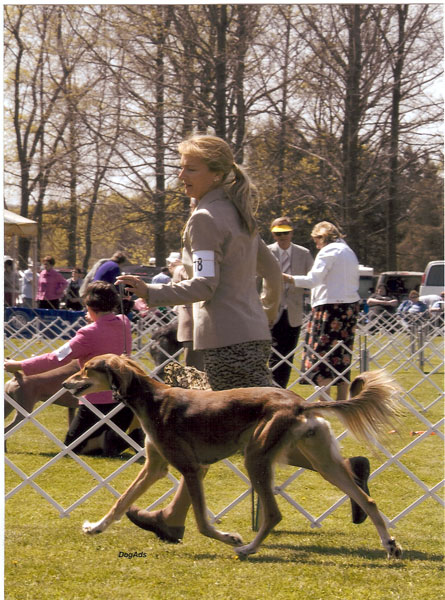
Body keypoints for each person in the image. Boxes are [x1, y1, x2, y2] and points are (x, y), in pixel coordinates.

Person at [116, 135, 370, 541]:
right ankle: (173, 518)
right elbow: (271, 273)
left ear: (217, 173)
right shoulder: (239, 212)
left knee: (235, 432)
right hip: (247, 334)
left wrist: (152, 293)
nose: (181, 176)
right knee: (226, 432)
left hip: (223, 341)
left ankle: (347, 472)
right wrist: (266, 311)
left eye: (190, 168)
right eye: (181, 167)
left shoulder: (205, 217)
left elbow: (204, 286)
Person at [4, 281, 136, 456]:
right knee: (79, 445)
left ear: (88, 306)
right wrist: (98, 318)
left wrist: (20, 365)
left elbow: (56, 358)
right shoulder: (124, 322)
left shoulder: (87, 334)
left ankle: (112, 440)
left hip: (96, 401)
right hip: (123, 398)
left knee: (73, 448)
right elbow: (114, 318)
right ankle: (121, 438)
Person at [283, 221, 360, 402]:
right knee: (342, 356)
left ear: (322, 237)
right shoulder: (348, 252)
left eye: (317, 240)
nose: (316, 245)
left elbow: (313, 280)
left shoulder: (328, 251)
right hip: (349, 308)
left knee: (321, 354)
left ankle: (324, 401)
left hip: (329, 308)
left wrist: (286, 278)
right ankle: (342, 400)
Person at [267, 216, 314, 388]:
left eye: (286, 232)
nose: (283, 236)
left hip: (293, 313)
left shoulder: (304, 253)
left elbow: (313, 279)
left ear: (292, 233)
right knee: (270, 355)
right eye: (278, 234)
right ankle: (267, 389)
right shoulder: (266, 252)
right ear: (273, 235)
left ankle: (280, 390)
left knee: (287, 355)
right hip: (270, 311)